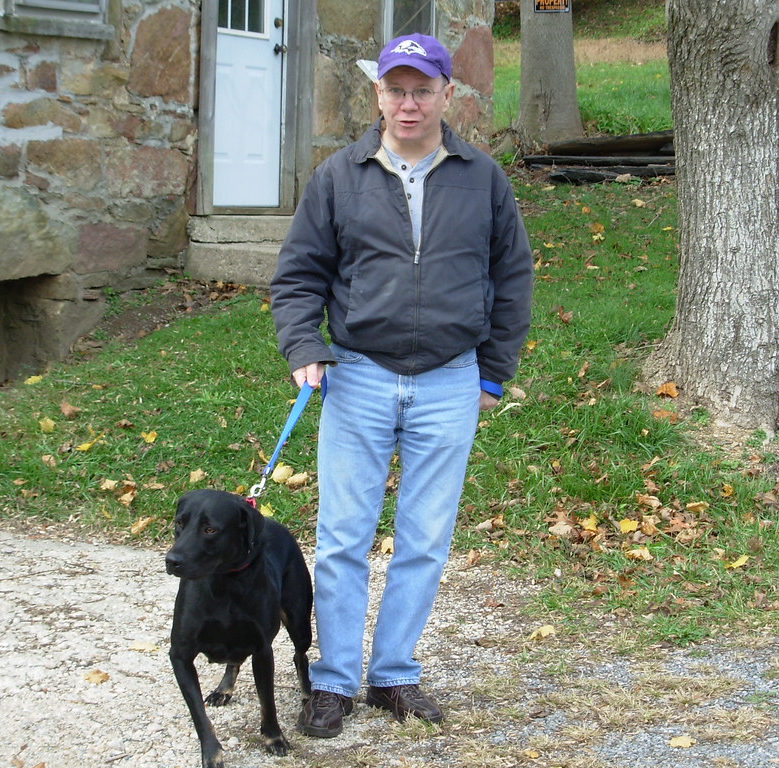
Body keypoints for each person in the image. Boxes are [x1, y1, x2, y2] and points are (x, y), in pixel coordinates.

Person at [269, 32, 533, 737]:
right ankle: (331, 683)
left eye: (423, 90)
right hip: (356, 378)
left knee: (423, 539)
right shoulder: (338, 176)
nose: (408, 104)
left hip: (450, 382)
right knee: (344, 537)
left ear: (450, 93)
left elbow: (512, 278)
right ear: (378, 95)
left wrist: (493, 370)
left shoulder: (483, 179)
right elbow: (298, 276)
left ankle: (393, 674)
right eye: (396, 90)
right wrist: (304, 347)